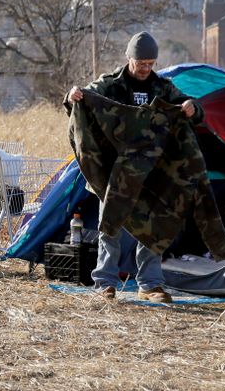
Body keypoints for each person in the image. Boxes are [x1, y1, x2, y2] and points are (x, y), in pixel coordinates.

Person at [65, 31, 203, 303]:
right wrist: (72, 96)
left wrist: (192, 107)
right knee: (110, 228)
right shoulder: (110, 84)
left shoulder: (163, 87)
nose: (146, 68)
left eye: (151, 63)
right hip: (114, 171)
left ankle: (150, 285)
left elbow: (191, 106)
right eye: (141, 63)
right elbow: (82, 99)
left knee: (152, 229)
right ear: (129, 58)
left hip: (151, 172)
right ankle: (105, 283)